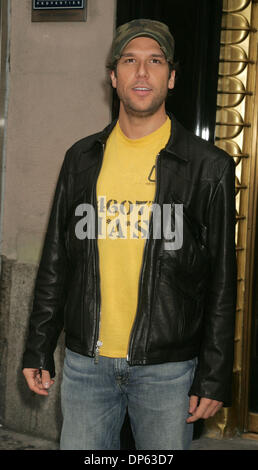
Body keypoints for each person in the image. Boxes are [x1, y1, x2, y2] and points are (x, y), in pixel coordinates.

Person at [22, 19, 237, 450]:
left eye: (155, 61)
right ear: (114, 77)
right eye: (130, 61)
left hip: (168, 370)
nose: (142, 73)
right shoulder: (81, 159)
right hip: (87, 365)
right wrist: (38, 346)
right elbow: (55, 263)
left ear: (171, 77)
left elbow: (221, 281)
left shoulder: (207, 167)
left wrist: (213, 374)